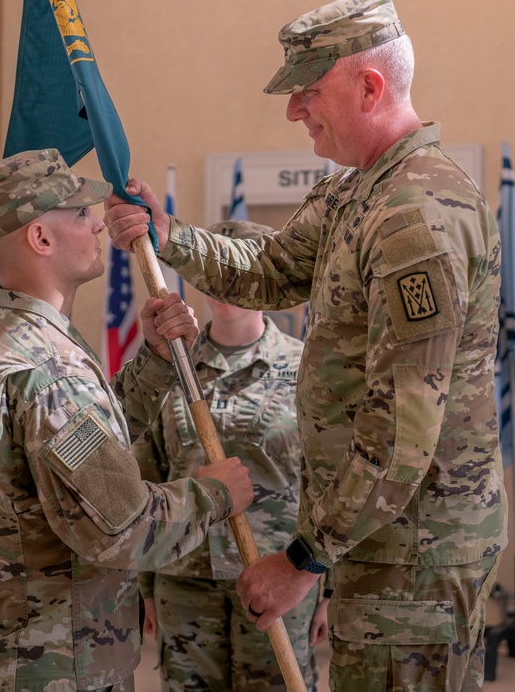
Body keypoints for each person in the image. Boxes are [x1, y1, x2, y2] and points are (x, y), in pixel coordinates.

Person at [104, 0, 507, 692]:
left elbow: (402, 430)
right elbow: (271, 268)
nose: (294, 111)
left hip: (413, 558)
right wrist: (170, 238)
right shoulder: (358, 192)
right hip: (375, 543)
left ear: (370, 86)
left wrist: (302, 559)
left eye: (307, 91)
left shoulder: (416, 217)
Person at [0, 148, 254, 692]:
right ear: (41, 239)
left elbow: (77, 458)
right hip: (44, 664)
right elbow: (122, 530)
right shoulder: (47, 369)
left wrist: (156, 362)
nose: (98, 223)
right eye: (79, 213)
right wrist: (212, 496)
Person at [134, 219, 325, 692]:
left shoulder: (307, 368)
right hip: (185, 571)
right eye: (215, 273)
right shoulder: (168, 365)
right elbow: (148, 472)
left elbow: (326, 481)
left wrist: (328, 586)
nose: (224, 288)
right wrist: (145, 587)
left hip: (278, 570)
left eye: (236, 272)